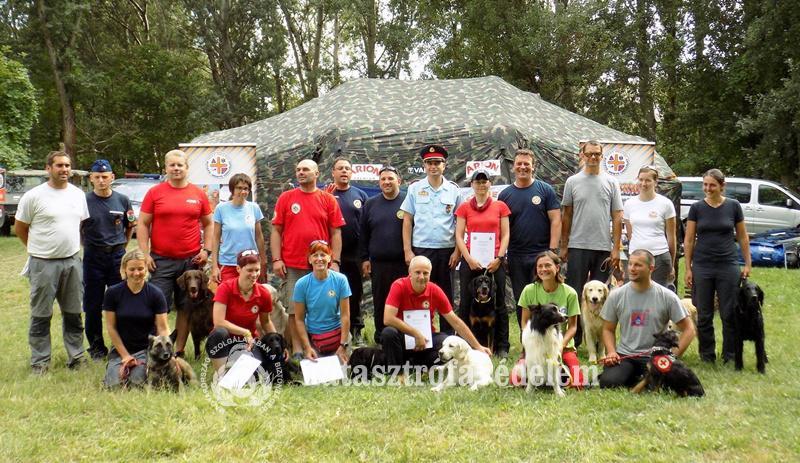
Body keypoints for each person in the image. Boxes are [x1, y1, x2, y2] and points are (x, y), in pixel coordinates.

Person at [15, 151, 90, 373]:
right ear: (48, 168)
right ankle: (40, 362)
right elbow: (20, 228)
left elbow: (79, 225)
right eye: (59, 165)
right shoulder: (34, 196)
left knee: (74, 312)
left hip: (72, 262)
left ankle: (77, 357)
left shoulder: (78, 195)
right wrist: (37, 250)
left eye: (67, 165)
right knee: (41, 313)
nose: (64, 169)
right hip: (43, 263)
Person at [137, 149, 213, 357]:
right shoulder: (155, 193)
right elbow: (142, 224)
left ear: (187, 168)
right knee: (157, 305)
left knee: (186, 307)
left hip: (190, 263)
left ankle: (178, 350)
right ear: (166, 168)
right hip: (160, 260)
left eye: (180, 165)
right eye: (172, 165)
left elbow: (209, 224)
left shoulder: (198, 194)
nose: (176, 168)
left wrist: (207, 250)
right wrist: (145, 254)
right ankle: (155, 347)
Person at [271, 159, 345, 361]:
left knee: (323, 306)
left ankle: (322, 345)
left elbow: (336, 233)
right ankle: (297, 349)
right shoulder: (286, 198)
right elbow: (276, 231)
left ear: (317, 173)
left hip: (322, 265)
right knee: (295, 310)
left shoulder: (328, 200)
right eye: (298, 169)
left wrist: (335, 261)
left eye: (305, 169)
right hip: (293, 264)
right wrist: (277, 259)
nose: (301, 172)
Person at [598, 249, 695, 388]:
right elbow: (608, 329)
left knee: (668, 385)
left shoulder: (667, 296)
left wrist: (672, 356)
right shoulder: (616, 295)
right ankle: (639, 378)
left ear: (651, 268)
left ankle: (643, 379)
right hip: (626, 356)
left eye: (638, 265)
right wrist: (612, 352)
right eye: (630, 264)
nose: (632, 268)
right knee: (609, 382)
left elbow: (689, 329)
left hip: (656, 356)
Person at [683, 168, 752, 363]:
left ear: (722, 186)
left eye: (712, 185)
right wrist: (688, 268)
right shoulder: (696, 208)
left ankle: (729, 355)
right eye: (705, 184)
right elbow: (688, 240)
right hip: (703, 266)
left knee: (728, 312)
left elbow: (742, 236)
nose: (708, 188)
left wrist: (747, 263)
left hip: (728, 265)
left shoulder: (733, 206)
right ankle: (707, 355)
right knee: (703, 314)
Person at [382, 256, 491, 374]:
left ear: (430, 274)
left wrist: (478, 346)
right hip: (403, 338)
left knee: (446, 342)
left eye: (425, 273)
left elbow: (456, 322)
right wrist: (416, 334)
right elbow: (388, 318)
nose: (421, 277)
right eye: (417, 272)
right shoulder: (398, 286)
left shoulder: (435, 290)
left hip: (427, 340)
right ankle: (397, 372)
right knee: (388, 333)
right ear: (410, 273)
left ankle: (415, 365)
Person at [561, 140, 623, 330]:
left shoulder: (611, 182)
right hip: (578, 246)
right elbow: (567, 215)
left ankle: (600, 340)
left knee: (601, 295)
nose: (593, 157)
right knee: (574, 293)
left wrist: (616, 248)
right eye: (589, 154)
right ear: (582, 155)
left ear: (602, 156)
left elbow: (617, 216)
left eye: (597, 154)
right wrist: (564, 246)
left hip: (602, 248)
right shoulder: (572, 182)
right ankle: (574, 336)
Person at [401, 144, 462, 334]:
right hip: (421, 250)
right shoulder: (414, 189)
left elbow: (460, 222)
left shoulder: (454, 191)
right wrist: (408, 250)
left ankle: (447, 338)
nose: (433, 166)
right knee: (419, 293)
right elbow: (407, 220)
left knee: (445, 296)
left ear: (444, 165)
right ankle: (421, 336)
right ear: (424, 165)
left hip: (446, 251)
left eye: (437, 162)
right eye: (429, 163)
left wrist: (458, 251)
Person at [498, 148, 562, 330]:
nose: (523, 167)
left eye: (527, 164)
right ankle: (526, 341)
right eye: (519, 164)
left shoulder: (545, 190)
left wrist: (552, 250)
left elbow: (556, 220)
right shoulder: (505, 195)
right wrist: (504, 255)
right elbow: (503, 229)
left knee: (545, 299)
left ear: (533, 166)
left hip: (541, 255)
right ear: (513, 167)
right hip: (517, 256)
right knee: (522, 300)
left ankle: (549, 338)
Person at [81, 159, 136, 360]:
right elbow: (79, 228)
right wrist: (87, 246)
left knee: (120, 302)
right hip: (93, 258)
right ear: (91, 179)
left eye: (105, 177)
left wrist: (122, 246)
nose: (102, 180)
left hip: (117, 257)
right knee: (92, 304)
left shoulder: (122, 200)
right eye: (97, 177)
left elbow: (130, 226)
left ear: (112, 177)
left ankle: (119, 347)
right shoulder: (84, 201)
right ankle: (96, 348)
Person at [454, 168, 511, 358]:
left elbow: (505, 234)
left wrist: (499, 258)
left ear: (489, 184)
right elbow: (459, 236)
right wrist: (468, 258)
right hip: (471, 262)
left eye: (484, 181)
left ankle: (501, 346)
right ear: (471, 185)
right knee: (465, 302)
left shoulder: (500, 206)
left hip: (495, 261)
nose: (481, 184)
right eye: (477, 181)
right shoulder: (464, 207)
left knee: (500, 303)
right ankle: (463, 343)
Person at [207, 250, 287, 380]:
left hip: (248, 344)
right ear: (238, 269)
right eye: (250, 270)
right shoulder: (225, 288)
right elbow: (218, 322)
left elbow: (266, 322)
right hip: (224, 341)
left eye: (257, 270)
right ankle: (221, 375)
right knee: (219, 333)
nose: (254, 274)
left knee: (253, 374)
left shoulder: (263, 293)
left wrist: (279, 344)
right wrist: (245, 332)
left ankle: (235, 371)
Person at [102, 249, 170, 388]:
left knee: (137, 384)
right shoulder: (112, 293)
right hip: (120, 349)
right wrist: (125, 356)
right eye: (132, 269)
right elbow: (111, 328)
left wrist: (168, 353)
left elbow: (163, 328)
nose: (136, 273)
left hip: (147, 350)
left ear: (146, 269)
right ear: (124, 270)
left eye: (140, 268)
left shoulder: (156, 294)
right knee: (114, 385)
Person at [517, 251, 583, 387]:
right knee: (516, 380)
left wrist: (561, 346)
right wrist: (530, 341)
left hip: (561, 346)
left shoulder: (570, 293)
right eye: (540, 266)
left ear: (557, 267)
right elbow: (524, 322)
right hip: (535, 344)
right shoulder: (529, 290)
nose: (543, 269)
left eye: (548, 265)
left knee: (577, 382)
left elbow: (573, 327)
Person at [359, 165, 408, 344]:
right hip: (379, 264)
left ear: (399, 181)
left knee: (404, 301)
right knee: (381, 301)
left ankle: (405, 338)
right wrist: (364, 258)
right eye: (383, 179)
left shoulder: (408, 201)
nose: (387, 182)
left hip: (404, 263)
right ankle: (381, 338)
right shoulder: (370, 204)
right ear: (379, 182)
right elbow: (363, 234)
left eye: (390, 179)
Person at [327, 157, 369, 346]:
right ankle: (330, 333)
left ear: (352, 173)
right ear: (333, 173)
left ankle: (356, 330)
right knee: (331, 295)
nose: (344, 171)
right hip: (331, 256)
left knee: (354, 293)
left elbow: (368, 225)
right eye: (340, 168)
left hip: (355, 256)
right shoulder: (325, 194)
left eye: (347, 169)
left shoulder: (360, 195)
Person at [293, 240, 351, 365]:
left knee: (343, 374)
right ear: (309, 259)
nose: (319, 259)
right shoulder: (301, 284)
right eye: (315, 255)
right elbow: (299, 319)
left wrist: (343, 344)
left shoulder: (341, 280)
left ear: (330, 257)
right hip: (314, 339)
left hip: (339, 335)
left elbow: (345, 316)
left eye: (323, 255)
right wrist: (307, 347)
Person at [622, 166, 677, 287]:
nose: (643, 183)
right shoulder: (629, 204)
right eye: (641, 180)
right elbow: (631, 235)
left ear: (655, 182)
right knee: (634, 296)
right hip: (636, 258)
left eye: (648, 180)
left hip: (660, 258)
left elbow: (671, 237)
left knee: (657, 298)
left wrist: (672, 265)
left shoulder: (666, 204)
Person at [210, 173, 267, 284]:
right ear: (232, 189)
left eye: (246, 188)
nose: (243, 192)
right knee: (229, 298)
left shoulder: (254, 208)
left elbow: (259, 236)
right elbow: (216, 237)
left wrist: (263, 262)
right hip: (228, 263)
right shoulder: (221, 208)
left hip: (250, 263)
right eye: (239, 188)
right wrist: (214, 266)